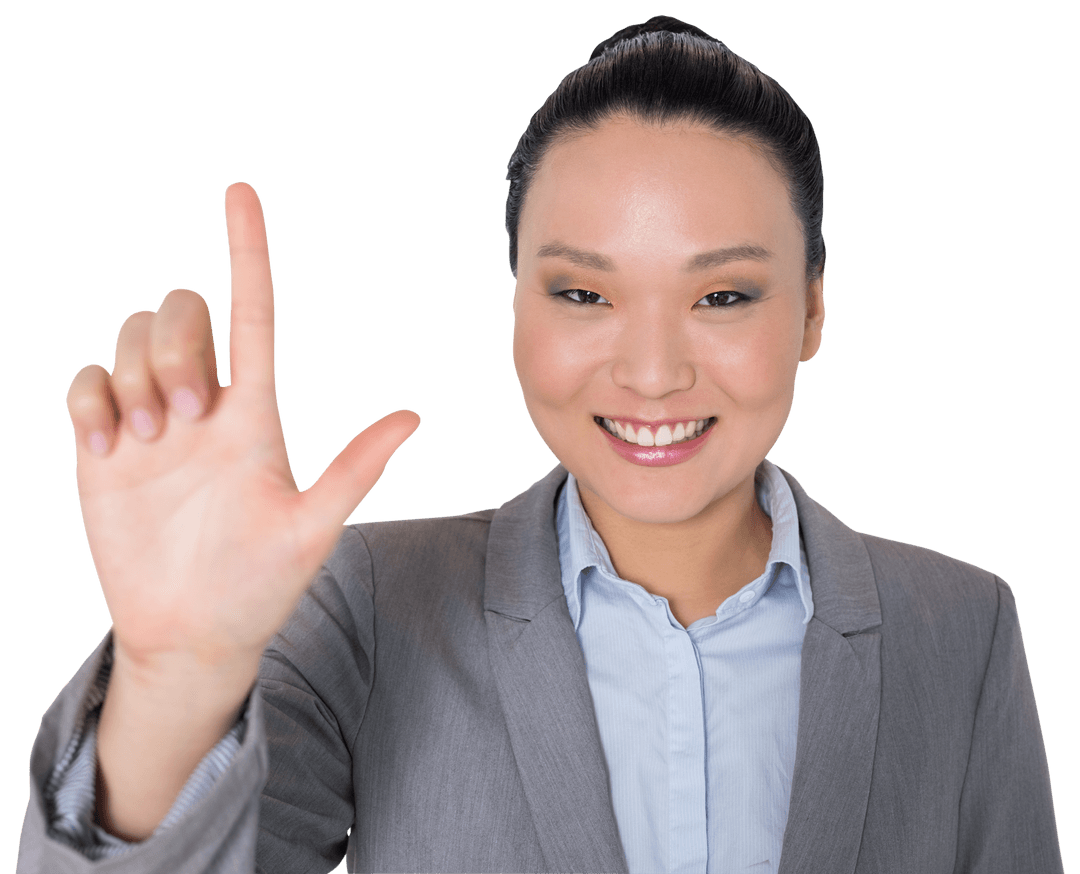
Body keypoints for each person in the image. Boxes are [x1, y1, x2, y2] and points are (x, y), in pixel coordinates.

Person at [16, 13, 1063, 874]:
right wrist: (174, 681)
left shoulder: (960, 629)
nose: (652, 371)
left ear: (813, 313)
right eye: (583, 292)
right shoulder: (371, 605)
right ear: (515, 312)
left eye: (723, 294)